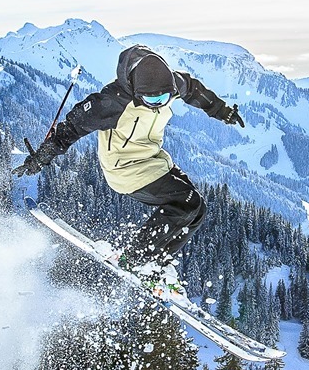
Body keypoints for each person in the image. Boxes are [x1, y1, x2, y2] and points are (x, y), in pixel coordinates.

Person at [13, 44, 244, 282]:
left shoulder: (171, 84)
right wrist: (41, 157)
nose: (157, 104)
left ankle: (156, 264)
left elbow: (193, 89)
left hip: (153, 160)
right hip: (124, 168)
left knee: (198, 210)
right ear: (135, 91)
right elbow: (71, 127)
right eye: (149, 99)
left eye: (163, 98)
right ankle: (136, 259)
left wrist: (221, 111)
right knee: (186, 202)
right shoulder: (112, 101)